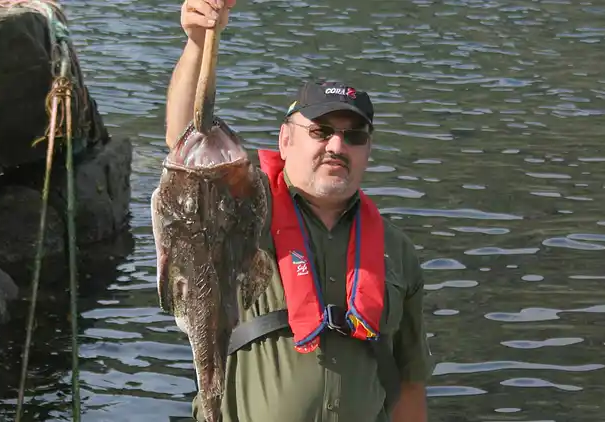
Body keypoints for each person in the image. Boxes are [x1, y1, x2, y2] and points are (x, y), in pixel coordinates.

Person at [163, 0, 434, 421]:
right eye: (321, 131)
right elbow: (187, 142)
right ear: (286, 141)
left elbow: (410, 382)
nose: (337, 147)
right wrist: (198, 43)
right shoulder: (243, 212)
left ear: (368, 151)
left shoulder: (397, 252)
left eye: (354, 136)